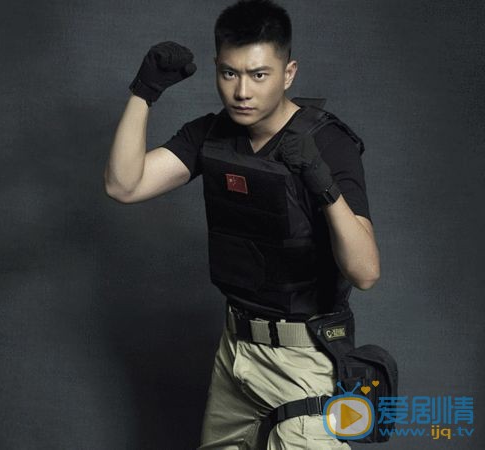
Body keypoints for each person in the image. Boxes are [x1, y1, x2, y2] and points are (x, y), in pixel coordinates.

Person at [104, 0, 380, 448]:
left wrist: (323, 184)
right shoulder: (212, 134)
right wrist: (144, 92)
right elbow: (124, 185)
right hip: (234, 356)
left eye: (259, 75)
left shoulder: (328, 144)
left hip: (304, 363)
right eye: (230, 73)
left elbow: (365, 272)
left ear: (288, 73)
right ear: (216, 68)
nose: (242, 92)